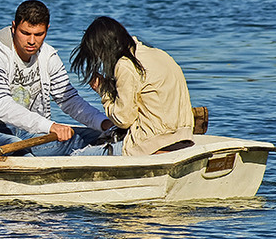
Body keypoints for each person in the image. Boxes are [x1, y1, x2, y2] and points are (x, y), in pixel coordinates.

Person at [0, 0, 110, 156]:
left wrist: (103, 123)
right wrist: (50, 126)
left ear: (47, 29)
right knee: (18, 151)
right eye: (25, 33)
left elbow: (69, 100)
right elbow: (1, 106)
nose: (32, 41)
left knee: (101, 138)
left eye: (39, 34)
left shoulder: (48, 56)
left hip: (28, 131)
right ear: (14, 27)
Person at [69, 16, 194, 156]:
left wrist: (103, 90)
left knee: (75, 156)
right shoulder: (159, 54)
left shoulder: (126, 65)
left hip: (152, 143)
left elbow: (123, 120)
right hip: (183, 138)